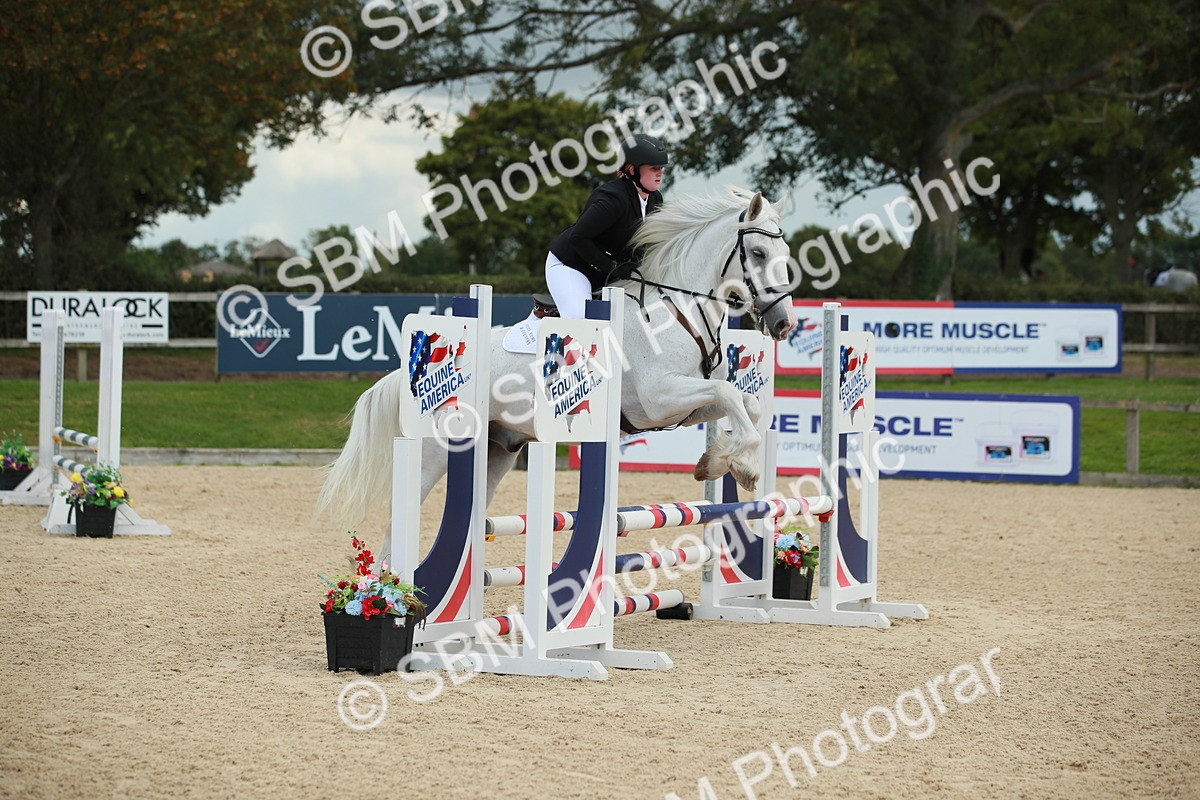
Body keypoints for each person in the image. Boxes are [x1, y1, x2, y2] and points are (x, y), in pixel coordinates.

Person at [544, 133, 668, 318]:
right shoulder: (613, 199)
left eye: (661, 168)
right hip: (571, 266)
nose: (660, 173)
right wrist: (613, 266)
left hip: (603, 273)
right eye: (653, 168)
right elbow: (578, 238)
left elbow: (643, 243)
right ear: (632, 170)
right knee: (579, 319)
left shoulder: (655, 200)